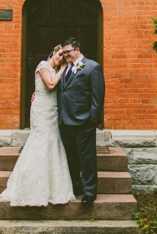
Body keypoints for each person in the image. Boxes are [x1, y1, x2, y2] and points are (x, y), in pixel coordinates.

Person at [0, 45, 75, 207]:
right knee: (40, 142)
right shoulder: (43, 66)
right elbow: (49, 85)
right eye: (59, 54)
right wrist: (62, 71)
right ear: (53, 52)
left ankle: (53, 188)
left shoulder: (54, 70)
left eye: (63, 56)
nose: (61, 58)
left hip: (52, 110)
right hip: (41, 111)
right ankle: (30, 186)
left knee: (52, 143)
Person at [58, 37, 105, 206]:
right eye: (63, 53)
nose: (65, 56)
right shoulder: (63, 68)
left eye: (68, 52)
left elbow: (97, 95)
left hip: (83, 121)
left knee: (87, 159)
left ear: (77, 50)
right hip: (65, 122)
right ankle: (76, 187)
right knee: (71, 158)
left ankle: (90, 192)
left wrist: (93, 118)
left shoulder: (92, 67)